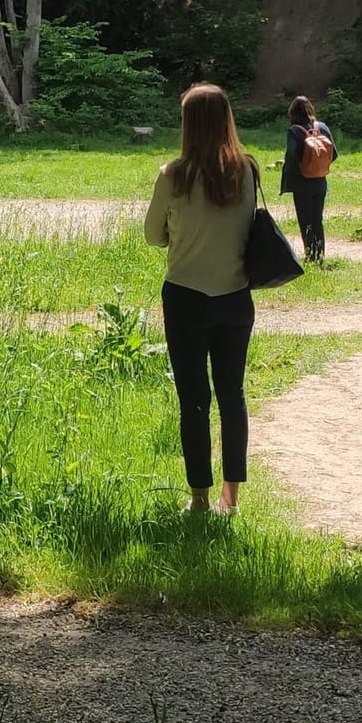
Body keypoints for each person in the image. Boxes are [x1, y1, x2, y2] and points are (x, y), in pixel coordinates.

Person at [145, 83, 256, 514]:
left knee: (193, 400)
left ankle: (199, 499)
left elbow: (152, 236)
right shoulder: (248, 170)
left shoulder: (172, 175)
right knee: (233, 395)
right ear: (227, 120)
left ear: (188, 125)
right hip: (235, 297)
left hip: (186, 297)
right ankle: (233, 497)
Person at [279, 95, 334, 264]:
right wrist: (319, 166)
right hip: (321, 182)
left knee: (306, 221)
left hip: (302, 183)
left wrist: (290, 173)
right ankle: (320, 255)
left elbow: (291, 155)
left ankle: (311, 256)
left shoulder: (294, 131)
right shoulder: (322, 127)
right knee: (317, 220)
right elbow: (335, 154)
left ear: (292, 113)